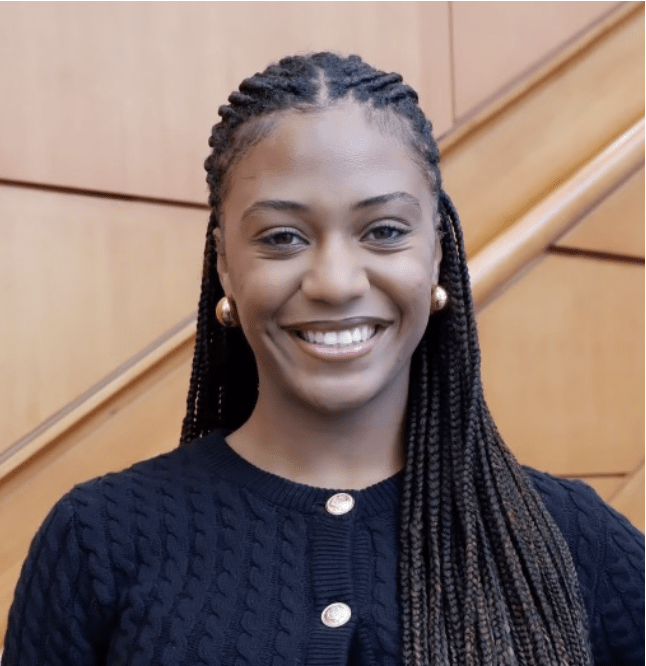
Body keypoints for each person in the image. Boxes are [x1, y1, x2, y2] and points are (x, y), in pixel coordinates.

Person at [2, 52, 644, 666]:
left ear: (437, 253)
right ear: (225, 262)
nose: (335, 282)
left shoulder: (575, 541)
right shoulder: (100, 539)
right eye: (282, 237)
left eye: (385, 231)